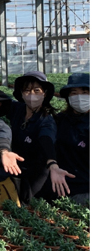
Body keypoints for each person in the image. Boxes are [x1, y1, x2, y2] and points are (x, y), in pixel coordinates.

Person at [8, 72, 58, 203]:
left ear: (44, 93)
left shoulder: (46, 120)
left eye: (36, 90)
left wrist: (52, 162)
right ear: (21, 93)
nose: (31, 95)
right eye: (27, 90)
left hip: (36, 174)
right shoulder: (17, 110)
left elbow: (46, 139)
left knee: (29, 203)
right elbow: (2, 100)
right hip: (15, 169)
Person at [41, 73, 89, 204]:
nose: (79, 97)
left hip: (84, 190)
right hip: (57, 185)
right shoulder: (60, 120)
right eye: (74, 93)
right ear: (68, 97)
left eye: (85, 92)